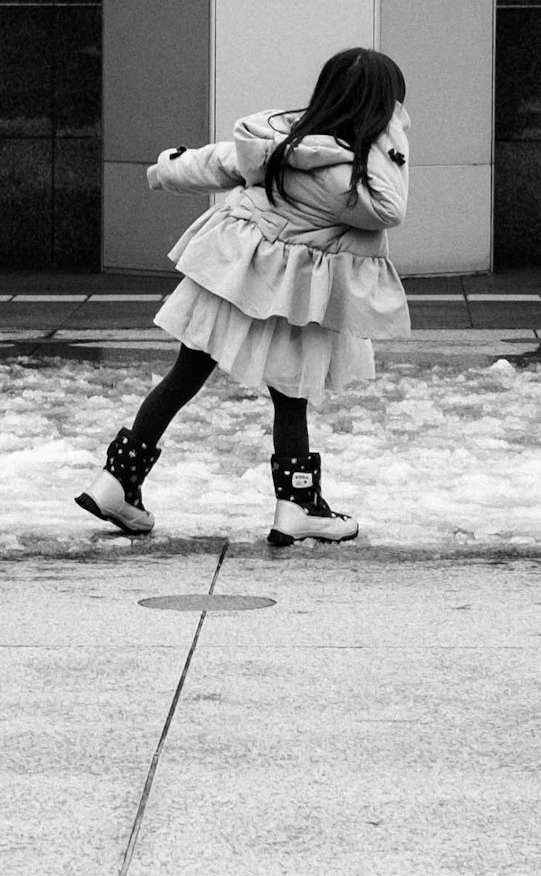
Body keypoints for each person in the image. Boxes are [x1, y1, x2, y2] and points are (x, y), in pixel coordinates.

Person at [79, 47, 410, 549]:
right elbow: (389, 208)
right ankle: (297, 503)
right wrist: (389, 133)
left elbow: (218, 161)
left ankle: (117, 481)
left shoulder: (282, 138)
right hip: (291, 289)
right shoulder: (352, 171)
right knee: (291, 393)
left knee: (185, 374)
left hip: (235, 267)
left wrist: (167, 169)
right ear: (381, 109)